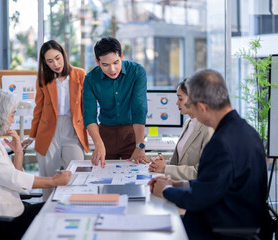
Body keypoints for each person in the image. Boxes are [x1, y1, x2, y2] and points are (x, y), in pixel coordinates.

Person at [148, 69, 271, 239]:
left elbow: (198, 198)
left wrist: (165, 190)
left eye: (192, 106)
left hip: (226, 229)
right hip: (243, 219)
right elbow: (216, 185)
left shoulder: (221, 144)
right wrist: (179, 184)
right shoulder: (246, 131)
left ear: (202, 107)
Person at [0, 89, 71, 239]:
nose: (12, 120)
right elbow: (11, 178)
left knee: (57, 207)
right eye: (12, 115)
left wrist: (18, 153)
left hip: (5, 213)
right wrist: (53, 181)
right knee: (60, 209)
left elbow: (15, 181)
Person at [21, 40, 89, 200]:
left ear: (64, 55)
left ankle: (75, 209)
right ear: (44, 62)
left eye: (58, 58)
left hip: (72, 130)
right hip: (48, 132)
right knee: (48, 180)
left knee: (77, 175)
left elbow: (87, 105)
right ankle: (46, 215)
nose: (56, 64)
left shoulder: (79, 74)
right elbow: (38, 109)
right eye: (50, 61)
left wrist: (92, 130)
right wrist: (32, 136)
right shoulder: (43, 78)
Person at [83, 36, 148, 167]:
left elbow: (139, 108)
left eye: (116, 62)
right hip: (105, 135)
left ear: (121, 56)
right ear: (97, 61)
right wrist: (98, 144)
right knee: (104, 180)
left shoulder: (137, 71)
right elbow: (89, 115)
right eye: (105, 65)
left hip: (133, 134)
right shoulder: (90, 79)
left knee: (134, 180)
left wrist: (140, 146)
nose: (112, 69)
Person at [149, 79, 214, 181]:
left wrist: (165, 169)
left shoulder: (209, 128)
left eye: (180, 99)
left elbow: (203, 171)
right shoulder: (188, 122)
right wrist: (162, 164)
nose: (176, 103)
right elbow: (181, 162)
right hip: (180, 185)